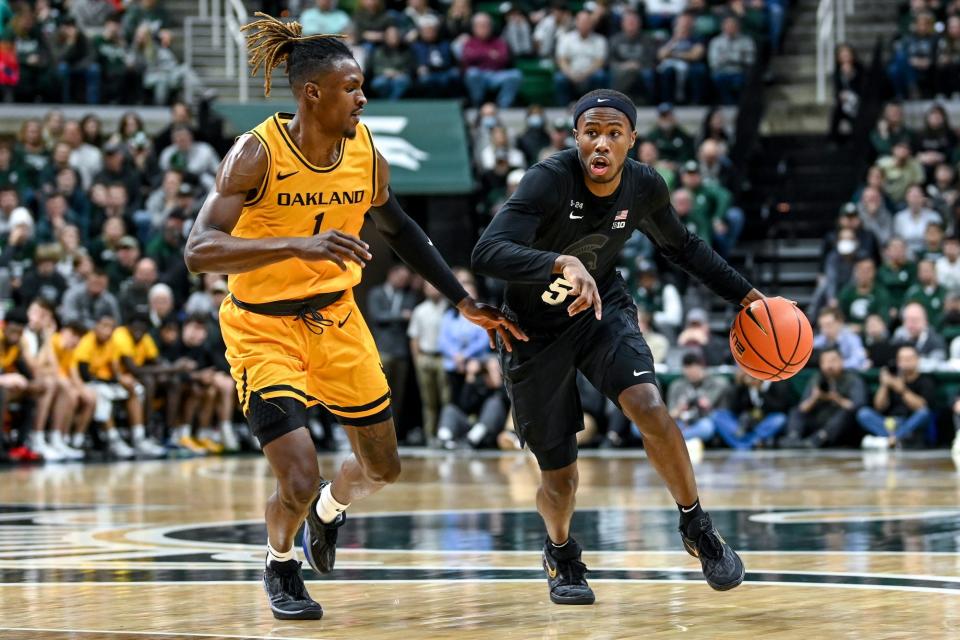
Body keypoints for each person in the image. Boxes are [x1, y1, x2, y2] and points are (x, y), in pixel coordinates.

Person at [184, 13, 523, 620]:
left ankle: (330, 511)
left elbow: (401, 228)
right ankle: (280, 563)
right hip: (262, 327)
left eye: (362, 85)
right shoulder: (256, 153)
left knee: (383, 467)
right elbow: (198, 249)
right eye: (352, 87)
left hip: (337, 321)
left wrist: (460, 298)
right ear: (312, 93)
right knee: (296, 476)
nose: (363, 96)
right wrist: (296, 245)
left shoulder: (364, 151)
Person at [472, 89, 760, 604]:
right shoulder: (549, 179)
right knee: (559, 478)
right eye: (590, 133)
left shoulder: (644, 186)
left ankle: (697, 525)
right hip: (532, 332)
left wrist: (747, 296)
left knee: (649, 405)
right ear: (575, 138)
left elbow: (684, 247)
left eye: (613, 134)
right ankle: (560, 552)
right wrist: (561, 262)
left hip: (601, 310)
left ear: (632, 140)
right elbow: (487, 250)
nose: (600, 144)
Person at [781, 347, 866, 448]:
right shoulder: (817, 378)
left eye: (833, 361)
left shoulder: (852, 378)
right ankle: (793, 438)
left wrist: (836, 399)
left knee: (846, 413)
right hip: (818, 419)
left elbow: (858, 406)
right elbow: (802, 408)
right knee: (795, 411)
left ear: (842, 361)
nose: (829, 365)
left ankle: (820, 438)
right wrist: (814, 398)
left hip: (840, 426)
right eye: (825, 361)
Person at [857, 344, 936, 448]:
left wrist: (902, 390)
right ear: (897, 361)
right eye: (902, 359)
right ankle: (894, 440)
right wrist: (884, 385)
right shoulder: (892, 379)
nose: (906, 362)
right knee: (864, 413)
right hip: (888, 422)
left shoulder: (925, 380)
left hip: (909, 422)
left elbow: (921, 406)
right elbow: (879, 406)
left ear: (917, 360)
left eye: (909, 358)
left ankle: (889, 440)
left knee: (924, 413)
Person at [712, 370, 793, 450]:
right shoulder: (744, 387)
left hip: (764, 422)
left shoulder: (778, 383)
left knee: (779, 419)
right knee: (718, 415)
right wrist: (739, 385)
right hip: (744, 425)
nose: (752, 378)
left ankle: (743, 444)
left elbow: (780, 407)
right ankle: (746, 444)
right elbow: (734, 408)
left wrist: (760, 390)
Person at [666, 351, 730, 449]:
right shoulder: (676, 386)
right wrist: (680, 408)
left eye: (694, 369)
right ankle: (681, 441)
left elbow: (711, 408)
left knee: (707, 427)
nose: (692, 373)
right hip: (682, 422)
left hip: (702, 421)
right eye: (688, 369)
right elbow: (670, 415)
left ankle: (673, 440)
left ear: (702, 367)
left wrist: (701, 401)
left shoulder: (715, 382)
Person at [553, 10, 609, 107]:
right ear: (576, 22)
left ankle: (596, 107)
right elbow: (562, 60)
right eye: (582, 22)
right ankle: (563, 109)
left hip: (590, 73)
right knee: (559, 78)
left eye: (587, 22)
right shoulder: (566, 38)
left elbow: (599, 62)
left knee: (600, 76)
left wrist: (585, 75)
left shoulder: (600, 40)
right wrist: (571, 74)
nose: (585, 25)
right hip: (571, 73)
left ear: (591, 24)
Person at [707, 16, 755, 105]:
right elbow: (713, 63)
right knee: (718, 79)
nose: (730, 29)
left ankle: (737, 105)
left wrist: (727, 59)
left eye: (733, 26)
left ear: (738, 28)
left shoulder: (746, 41)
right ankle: (729, 104)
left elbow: (750, 60)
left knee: (740, 81)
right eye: (728, 26)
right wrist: (737, 58)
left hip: (739, 71)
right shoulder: (715, 42)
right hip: (721, 71)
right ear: (723, 27)